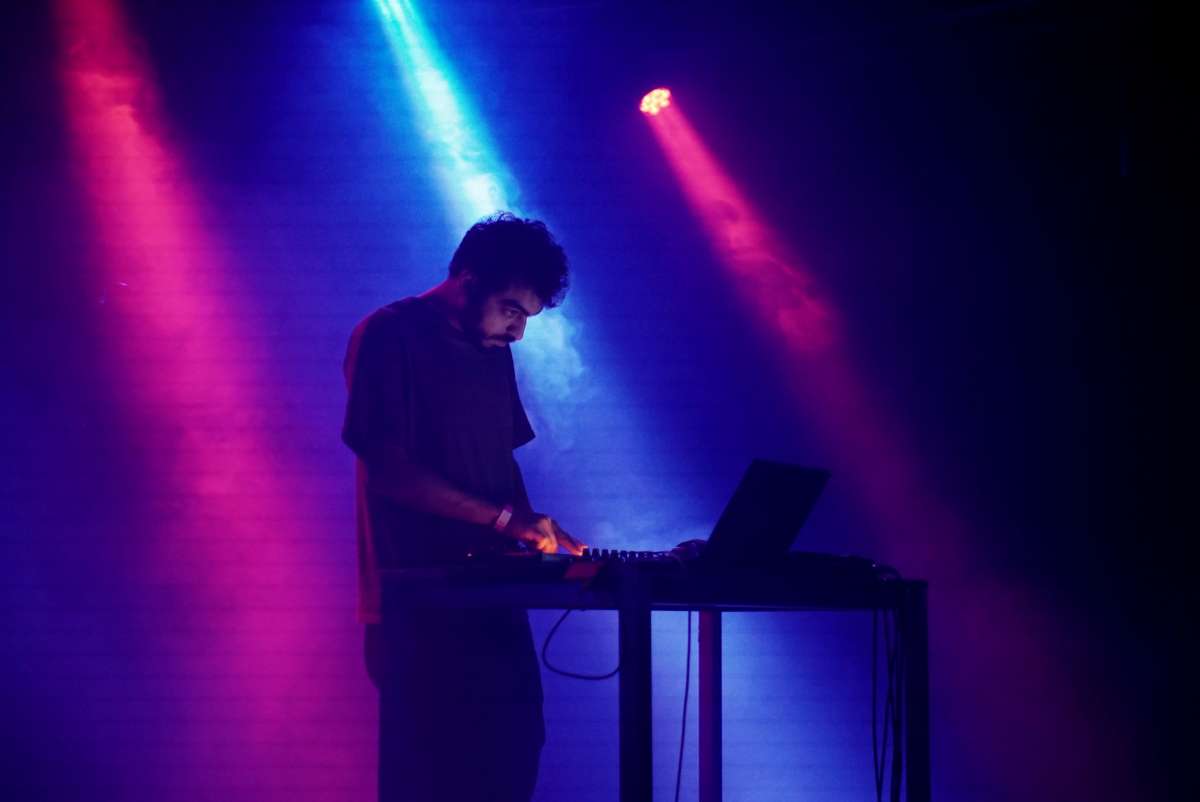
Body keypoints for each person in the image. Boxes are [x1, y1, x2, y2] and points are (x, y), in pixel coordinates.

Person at [341, 212, 586, 802]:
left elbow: (501, 464)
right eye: (511, 311)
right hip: (417, 600)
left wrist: (539, 533)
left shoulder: (492, 350)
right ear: (468, 279)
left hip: (491, 595)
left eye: (526, 318)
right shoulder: (388, 335)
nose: (517, 332)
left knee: (515, 752)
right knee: (436, 775)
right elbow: (391, 472)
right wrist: (506, 520)